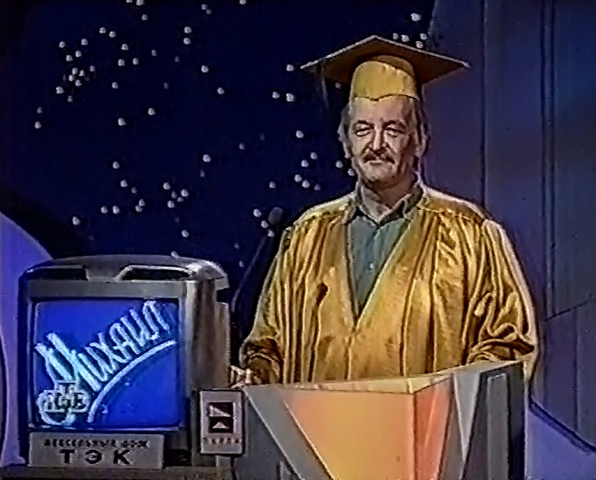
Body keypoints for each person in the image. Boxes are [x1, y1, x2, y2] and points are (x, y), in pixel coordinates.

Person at [232, 36, 538, 387]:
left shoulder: (470, 235)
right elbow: (268, 350)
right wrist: (251, 379)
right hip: (318, 424)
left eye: (393, 129)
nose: (376, 145)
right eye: (363, 130)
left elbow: (506, 350)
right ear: (345, 141)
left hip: (429, 425)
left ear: (420, 139)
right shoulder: (306, 237)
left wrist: (447, 404)